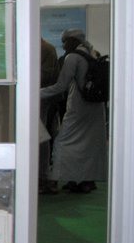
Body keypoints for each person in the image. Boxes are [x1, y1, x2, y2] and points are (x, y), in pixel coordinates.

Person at [39, 28, 106, 194]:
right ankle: (83, 181)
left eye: (65, 41)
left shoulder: (72, 58)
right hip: (96, 107)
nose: (63, 46)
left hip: (78, 107)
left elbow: (60, 86)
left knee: (62, 142)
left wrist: (34, 93)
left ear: (74, 40)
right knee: (88, 145)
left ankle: (54, 180)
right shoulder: (93, 54)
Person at [39, 38, 62, 194]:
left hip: (42, 99)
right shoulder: (46, 48)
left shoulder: (46, 48)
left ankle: (42, 176)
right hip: (41, 98)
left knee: (41, 138)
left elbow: (46, 76)